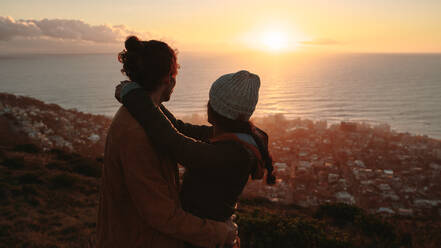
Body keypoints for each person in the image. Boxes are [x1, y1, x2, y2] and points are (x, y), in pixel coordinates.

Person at [96, 36, 237, 248]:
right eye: (175, 75)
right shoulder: (136, 133)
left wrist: (232, 136)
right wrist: (219, 233)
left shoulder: (145, 114)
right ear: (167, 80)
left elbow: (177, 128)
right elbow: (160, 214)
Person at [117, 69, 277, 248]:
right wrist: (149, 99)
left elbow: (175, 142)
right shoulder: (233, 136)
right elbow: (178, 128)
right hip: (205, 233)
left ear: (215, 109)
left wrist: (132, 96)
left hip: (204, 238)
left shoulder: (234, 154)